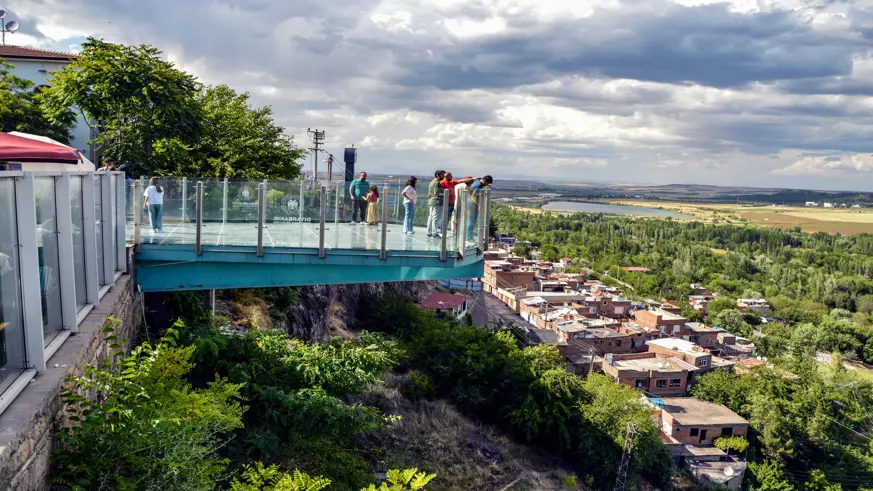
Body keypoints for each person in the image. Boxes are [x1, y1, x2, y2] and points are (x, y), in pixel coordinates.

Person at [466, 175, 493, 242]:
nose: (486, 185)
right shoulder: (479, 185)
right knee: (471, 222)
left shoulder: (478, 182)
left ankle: (469, 236)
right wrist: (479, 205)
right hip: (472, 204)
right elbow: (473, 196)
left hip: (471, 203)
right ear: (485, 181)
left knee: (472, 221)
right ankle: (468, 238)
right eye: (487, 183)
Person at [426, 170, 446, 238]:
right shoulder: (437, 183)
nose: (443, 176)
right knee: (435, 218)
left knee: (430, 217)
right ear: (438, 175)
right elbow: (436, 193)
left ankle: (429, 232)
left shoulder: (431, 182)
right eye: (442, 175)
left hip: (431, 201)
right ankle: (434, 233)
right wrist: (444, 194)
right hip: (436, 201)